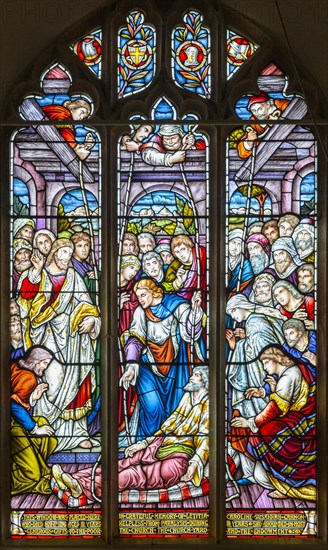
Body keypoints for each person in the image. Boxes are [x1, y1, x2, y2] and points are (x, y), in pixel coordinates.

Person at [17, 238, 101, 452]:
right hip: (45, 337)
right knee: (51, 379)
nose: (67, 257)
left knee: (75, 380)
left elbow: (87, 304)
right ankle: (46, 425)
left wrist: (92, 320)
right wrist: (35, 274)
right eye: (64, 252)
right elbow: (25, 298)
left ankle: (77, 432)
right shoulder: (39, 274)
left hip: (74, 339)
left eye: (69, 253)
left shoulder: (74, 277)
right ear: (54, 252)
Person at [120, 279, 206, 440]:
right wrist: (131, 366)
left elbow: (191, 333)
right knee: (152, 407)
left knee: (177, 408)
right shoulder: (140, 312)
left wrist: (195, 311)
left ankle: (170, 449)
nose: (141, 300)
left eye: (143, 295)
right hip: (147, 366)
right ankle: (145, 449)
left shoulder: (177, 305)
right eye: (138, 297)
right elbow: (135, 339)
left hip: (175, 365)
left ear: (154, 291)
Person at [231, 346, 316, 501]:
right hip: (294, 419)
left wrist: (249, 422)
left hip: (300, 427)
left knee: (264, 432)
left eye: (266, 362)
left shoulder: (289, 376)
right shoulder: (289, 372)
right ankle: (282, 481)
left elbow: (275, 409)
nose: (264, 367)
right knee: (260, 473)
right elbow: (283, 396)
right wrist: (264, 391)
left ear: (276, 359)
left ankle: (291, 484)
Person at [119, 367, 209, 490]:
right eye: (193, 374)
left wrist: (194, 464)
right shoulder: (187, 397)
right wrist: (144, 443)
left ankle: (92, 485)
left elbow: (205, 437)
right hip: (159, 444)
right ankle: (83, 480)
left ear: (205, 381)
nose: (191, 378)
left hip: (180, 455)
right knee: (125, 463)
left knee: (136, 475)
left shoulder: (209, 404)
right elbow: (167, 426)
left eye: (197, 375)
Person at [226, 293, 285, 419]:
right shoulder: (253, 321)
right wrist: (245, 338)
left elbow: (264, 349)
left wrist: (236, 345)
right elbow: (255, 344)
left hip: (262, 371)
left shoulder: (255, 321)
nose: (233, 316)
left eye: (233, 311)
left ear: (241, 305)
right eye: (231, 314)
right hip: (259, 370)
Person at [11, 346, 57, 495]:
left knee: (45, 427)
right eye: (45, 363)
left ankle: (40, 469)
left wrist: (32, 398)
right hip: (11, 427)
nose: (45, 367)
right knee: (33, 475)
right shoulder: (29, 378)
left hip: (15, 421)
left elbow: (17, 400)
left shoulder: (16, 367)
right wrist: (34, 428)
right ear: (36, 362)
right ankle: (19, 480)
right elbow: (11, 405)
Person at [237, 92, 290, 159]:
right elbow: (242, 153)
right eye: (253, 110)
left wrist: (280, 120)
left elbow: (298, 115)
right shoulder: (254, 122)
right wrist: (249, 141)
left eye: (260, 109)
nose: (257, 114)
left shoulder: (282, 105)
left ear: (267, 104)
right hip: (271, 156)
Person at [164, 235, 207, 305]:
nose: (181, 254)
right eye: (177, 252)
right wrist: (178, 282)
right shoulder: (174, 267)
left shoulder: (202, 255)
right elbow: (165, 289)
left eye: (183, 249)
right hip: (184, 303)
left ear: (190, 248)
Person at [140, 124, 205, 167]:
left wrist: (187, 146)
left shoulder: (187, 142)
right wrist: (170, 159)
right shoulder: (156, 140)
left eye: (173, 138)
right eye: (166, 139)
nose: (170, 142)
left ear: (180, 136)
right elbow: (148, 154)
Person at [227, 228, 253, 296]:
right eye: (233, 242)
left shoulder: (245, 265)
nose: (235, 247)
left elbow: (246, 286)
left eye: (239, 244)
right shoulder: (223, 262)